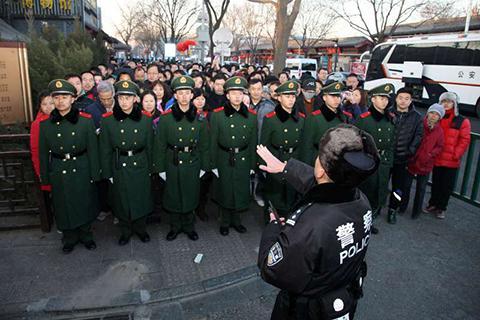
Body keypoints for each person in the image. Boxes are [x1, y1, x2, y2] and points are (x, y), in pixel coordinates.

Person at [256, 124, 379, 320]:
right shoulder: (360, 200)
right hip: (343, 299)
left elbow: (273, 269)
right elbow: (325, 186)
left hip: (308, 311)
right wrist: (286, 168)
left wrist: (273, 229)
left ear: (320, 169)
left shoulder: (312, 225)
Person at [39, 79, 100, 253]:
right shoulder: (46, 125)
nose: (60, 101)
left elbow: (93, 149)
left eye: (65, 97)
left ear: (73, 99)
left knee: (83, 201)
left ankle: (86, 235)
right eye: (56, 97)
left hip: (81, 165)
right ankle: (69, 238)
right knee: (63, 204)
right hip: (59, 168)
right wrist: (45, 178)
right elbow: (43, 154)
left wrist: (95, 173)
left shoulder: (85, 121)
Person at [154, 76, 209, 241]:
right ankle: (175, 226)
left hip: (192, 161)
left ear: (192, 95)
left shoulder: (200, 119)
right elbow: (160, 146)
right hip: (172, 161)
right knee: (173, 194)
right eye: (180, 93)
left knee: (191, 194)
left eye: (187, 93)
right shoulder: (165, 118)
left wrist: (204, 167)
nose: (184, 96)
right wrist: (160, 169)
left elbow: (205, 146)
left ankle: (189, 226)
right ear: (175, 96)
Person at [99, 80, 154, 246]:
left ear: (135, 99)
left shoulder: (145, 119)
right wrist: (107, 173)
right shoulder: (108, 120)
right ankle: (125, 230)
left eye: (128, 97)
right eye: (121, 97)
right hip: (119, 163)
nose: (124, 101)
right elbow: (105, 149)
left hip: (140, 162)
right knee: (121, 199)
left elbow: (150, 146)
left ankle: (141, 229)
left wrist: (152, 168)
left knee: (141, 197)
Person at [210, 76, 257, 236]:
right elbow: (213, 141)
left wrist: (252, 165)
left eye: (240, 93)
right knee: (225, 189)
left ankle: (236, 221)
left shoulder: (251, 116)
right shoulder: (217, 115)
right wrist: (213, 164)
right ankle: (224, 221)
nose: (237, 96)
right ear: (227, 95)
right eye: (233, 93)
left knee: (239, 189)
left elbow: (253, 142)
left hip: (243, 157)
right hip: (224, 157)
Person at [261, 80, 305, 221]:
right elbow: (264, 145)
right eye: (287, 96)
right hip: (275, 158)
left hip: (294, 159)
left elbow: (303, 142)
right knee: (275, 194)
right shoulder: (270, 119)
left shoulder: (301, 119)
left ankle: (289, 223)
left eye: (293, 96)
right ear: (278, 98)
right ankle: (272, 223)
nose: (291, 99)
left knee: (292, 194)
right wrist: (263, 165)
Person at [355, 83, 395, 234]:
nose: (384, 101)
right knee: (365, 192)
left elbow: (392, 142)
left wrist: (388, 161)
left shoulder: (390, 118)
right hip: (368, 160)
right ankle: (360, 222)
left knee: (379, 191)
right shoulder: (364, 119)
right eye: (381, 98)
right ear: (373, 99)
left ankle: (369, 221)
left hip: (383, 162)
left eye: (386, 98)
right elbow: (356, 142)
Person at [426, 92, 471, 219]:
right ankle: (433, 203)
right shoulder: (437, 117)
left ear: (454, 104)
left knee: (447, 185)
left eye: (449, 101)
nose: (446, 104)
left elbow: (464, 140)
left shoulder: (462, 120)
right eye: (444, 101)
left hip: (451, 159)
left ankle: (441, 207)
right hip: (436, 157)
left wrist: (456, 154)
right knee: (436, 182)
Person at [388, 87, 423, 223]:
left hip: (402, 159)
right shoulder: (388, 112)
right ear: (396, 98)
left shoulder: (417, 117)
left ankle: (393, 210)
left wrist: (410, 150)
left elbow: (419, 136)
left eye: (406, 99)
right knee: (381, 183)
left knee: (398, 188)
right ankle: (377, 206)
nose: (403, 101)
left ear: (411, 100)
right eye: (400, 98)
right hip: (386, 156)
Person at [404, 104, 445, 219]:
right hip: (413, 160)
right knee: (406, 186)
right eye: (432, 113)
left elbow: (440, 146)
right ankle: (402, 206)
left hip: (426, 163)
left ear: (439, 117)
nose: (433, 116)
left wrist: (430, 155)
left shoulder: (439, 131)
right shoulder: (420, 124)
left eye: (437, 114)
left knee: (421, 189)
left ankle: (416, 211)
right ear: (427, 113)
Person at [301, 81, 352, 166]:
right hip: (319, 162)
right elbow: (306, 147)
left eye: (338, 96)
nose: (337, 99)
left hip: (339, 163)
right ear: (324, 97)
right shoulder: (314, 118)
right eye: (333, 96)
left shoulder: (343, 117)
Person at [30, 91, 54, 193]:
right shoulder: (37, 124)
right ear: (39, 106)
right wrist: (40, 171)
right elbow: (35, 149)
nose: (48, 107)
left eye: (51, 103)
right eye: (44, 104)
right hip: (48, 166)